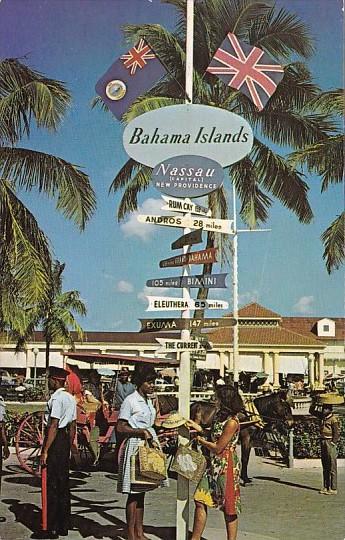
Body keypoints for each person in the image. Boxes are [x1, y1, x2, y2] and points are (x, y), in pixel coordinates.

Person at [117, 364, 167, 540]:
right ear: (139, 383)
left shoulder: (148, 400)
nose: (152, 385)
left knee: (142, 490)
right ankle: (131, 534)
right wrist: (140, 432)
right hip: (135, 447)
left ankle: (140, 532)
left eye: (153, 382)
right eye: (149, 382)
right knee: (133, 492)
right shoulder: (130, 401)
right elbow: (121, 427)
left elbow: (150, 423)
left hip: (148, 446)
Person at [191, 385, 243, 540]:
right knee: (200, 499)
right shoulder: (220, 417)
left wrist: (201, 441)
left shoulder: (232, 422)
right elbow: (214, 436)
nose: (215, 400)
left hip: (226, 465)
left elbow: (218, 447)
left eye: (217, 397)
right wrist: (198, 428)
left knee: (229, 507)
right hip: (213, 465)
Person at [39, 366, 77, 538]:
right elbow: (73, 426)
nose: (48, 382)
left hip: (54, 440)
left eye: (49, 379)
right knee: (63, 484)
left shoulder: (57, 399)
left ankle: (51, 526)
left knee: (52, 484)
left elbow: (53, 424)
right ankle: (63, 525)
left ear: (55, 380)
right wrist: (69, 446)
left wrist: (45, 451)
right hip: (64, 441)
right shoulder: (70, 398)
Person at [309, 398, 340, 495]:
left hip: (329, 441)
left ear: (330, 410)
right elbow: (311, 411)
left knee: (332, 465)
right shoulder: (322, 417)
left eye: (326, 409)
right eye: (323, 408)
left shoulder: (333, 419)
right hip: (322, 441)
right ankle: (326, 486)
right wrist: (314, 402)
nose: (323, 410)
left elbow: (337, 432)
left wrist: (333, 443)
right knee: (325, 465)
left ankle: (333, 488)